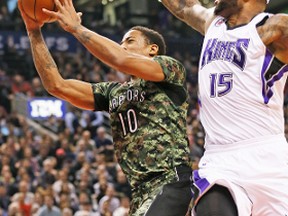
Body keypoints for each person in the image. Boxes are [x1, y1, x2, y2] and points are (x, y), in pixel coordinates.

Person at [17, 0, 193, 215]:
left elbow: (119, 58)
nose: (123, 46)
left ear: (152, 49)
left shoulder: (170, 69)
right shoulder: (113, 93)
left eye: (130, 40)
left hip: (170, 178)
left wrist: (76, 28)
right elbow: (57, 85)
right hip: (139, 191)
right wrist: (33, 31)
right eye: (122, 42)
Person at [160, 0, 288, 215]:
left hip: (268, 159)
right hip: (220, 159)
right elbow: (184, 6)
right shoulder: (213, 24)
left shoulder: (275, 27)